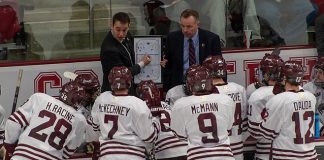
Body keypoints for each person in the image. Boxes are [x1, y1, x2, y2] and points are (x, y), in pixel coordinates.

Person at [250, 60, 318, 159]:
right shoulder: (311, 97)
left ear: (285, 77)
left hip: (286, 156)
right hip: (310, 156)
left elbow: (267, 133)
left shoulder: (278, 99)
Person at [3, 81, 88, 160]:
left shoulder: (40, 98)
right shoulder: (80, 119)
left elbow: (13, 122)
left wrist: (9, 145)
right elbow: (68, 152)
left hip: (22, 156)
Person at [90, 66, 161, 160]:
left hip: (107, 155)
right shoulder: (137, 104)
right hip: (133, 156)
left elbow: (95, 126)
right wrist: (156, 118)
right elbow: (150, 137)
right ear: (129, 82)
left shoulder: (102, 98)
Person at [170, 65, 235, 160]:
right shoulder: (226, 100)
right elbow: (228, 129)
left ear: (190, 83)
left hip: (197, 156)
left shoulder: (181, 104)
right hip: (224, 156)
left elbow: (180, 135)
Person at [162, 9, 222, 92]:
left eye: (189, 26)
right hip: (179, 86)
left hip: (204, 85)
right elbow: (167, 67)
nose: (185, 30)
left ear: (197, 23)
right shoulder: (172, 38)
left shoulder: (211, 39)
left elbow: (218, 66)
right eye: (182, 26)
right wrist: (166, 89)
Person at [202, 55, 247, 160]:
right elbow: (244, 118)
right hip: (238, 142)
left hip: (218, 147)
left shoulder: (208, 94)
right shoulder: (239, 89)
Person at [100, 12, 152, 94]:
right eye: (118, 29)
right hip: (115, 92)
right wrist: (142, 63)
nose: (121, 34)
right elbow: (123, 73)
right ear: (112, 26)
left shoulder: (127, 35)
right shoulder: (109, 49)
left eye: (124, 30)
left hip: (129, 87)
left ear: (128, 27)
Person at [136, 80, 187, 160]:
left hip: (165, 153)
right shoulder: (167, 105)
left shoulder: (141, 109)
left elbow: (147, 138)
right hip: (185, 149)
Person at [247, 53, 284, 160]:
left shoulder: (256, 93)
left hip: (264, 151)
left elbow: (254, 131)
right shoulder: (295, 91)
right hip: (288, 150)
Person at [304, 57, 324, 124]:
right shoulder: (308, 88)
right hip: (316, 129)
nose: (317, 75)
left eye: (320, 72)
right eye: (316, 72)